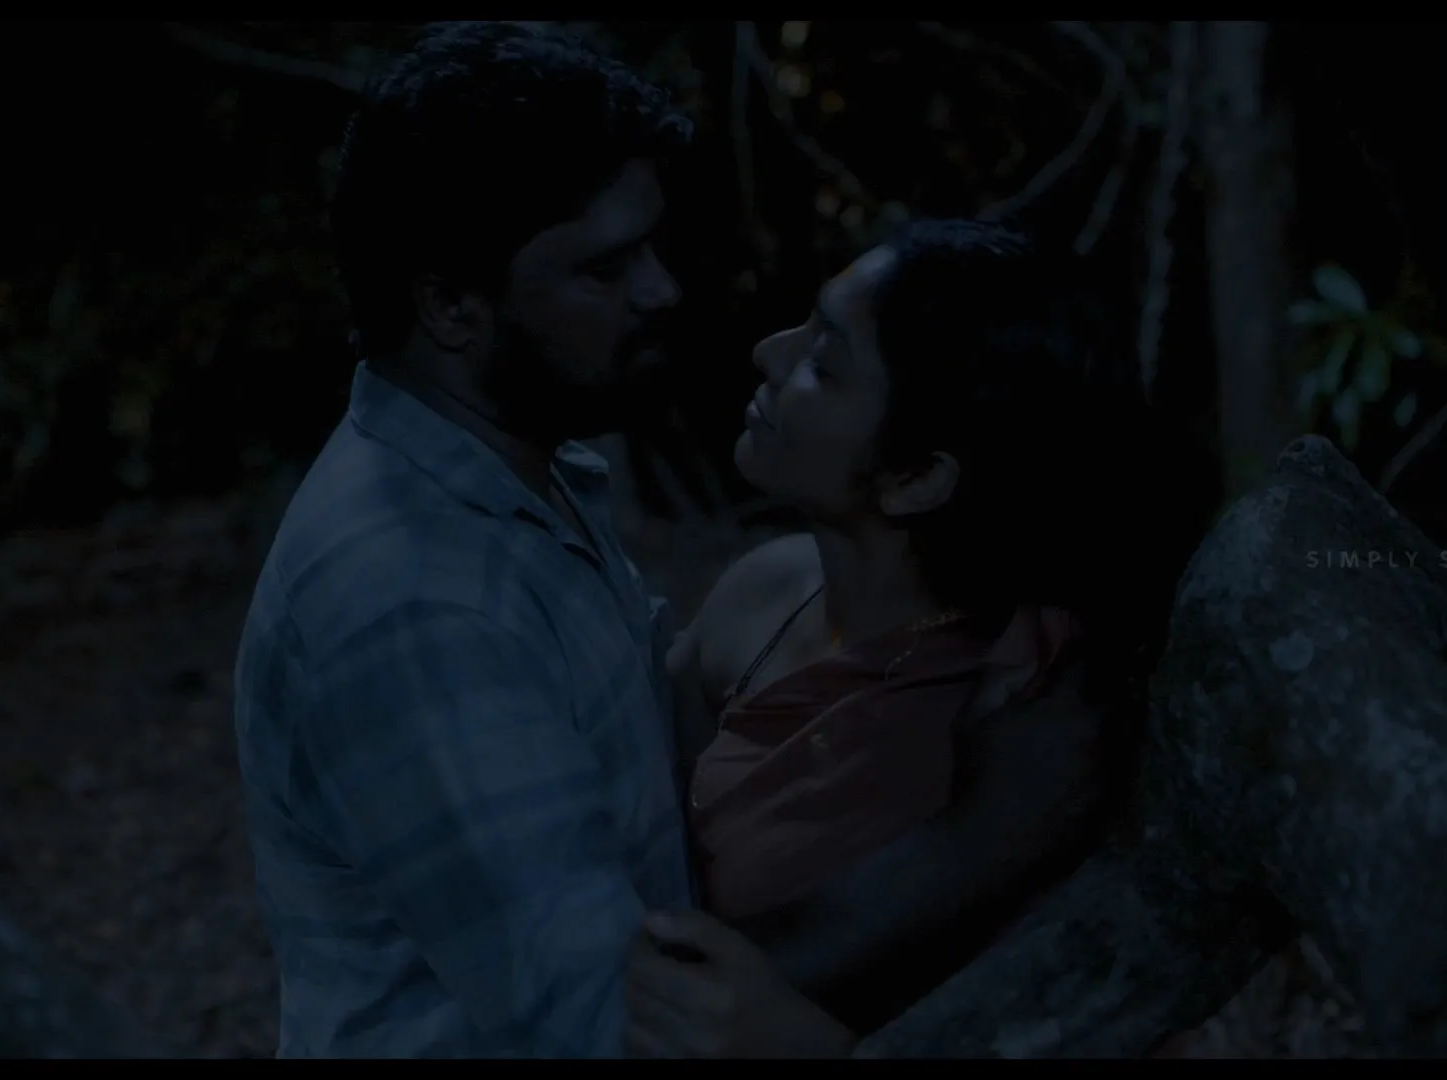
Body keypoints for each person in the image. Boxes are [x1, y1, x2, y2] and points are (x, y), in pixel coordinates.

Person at [621, 219, 1220, 1057]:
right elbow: (640, 821)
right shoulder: (765, 588)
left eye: (824, 365)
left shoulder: (1025, 712)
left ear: (916, 477)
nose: (768, 353)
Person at [232, 22, 699, 1058]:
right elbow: (615, 1023)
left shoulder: (523, 473)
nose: (660, 290)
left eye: (651, 247)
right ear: (449, 303)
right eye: (605, 268)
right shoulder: (413, 597)